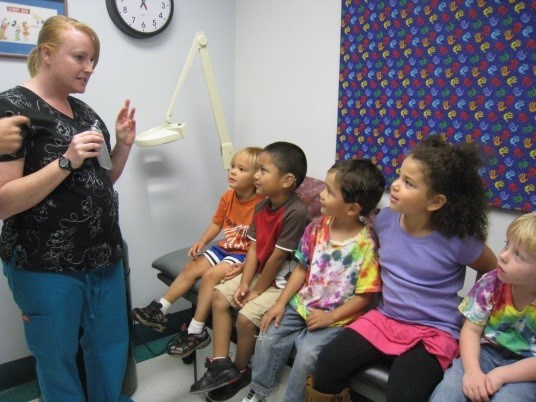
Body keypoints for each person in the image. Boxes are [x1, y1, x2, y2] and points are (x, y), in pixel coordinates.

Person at [0, 16, 136, 402]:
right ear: (47, 53)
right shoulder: (12, 109)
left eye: (93, 59)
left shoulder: (87, 113)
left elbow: (102, 181)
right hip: (46, 264)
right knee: (57, 356)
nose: (89, 68)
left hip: (104, 256)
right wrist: (65, 160)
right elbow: (4, 201)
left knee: (109, 348)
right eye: (80, 57)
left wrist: (123, 144)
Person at [307, 134, 498, 402]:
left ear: (435, 202)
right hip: (385, 318)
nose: (395, 186)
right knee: (328, 362)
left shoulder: (459, 240)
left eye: (408, 183)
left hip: (434, 330)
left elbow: (492, 270)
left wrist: (474, 310)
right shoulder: (384, 221)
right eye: (398, 176)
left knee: (403, 393)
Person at [242, 159, 386, 402]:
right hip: (302, 305)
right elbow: (301, 269)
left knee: (308, 354)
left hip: (336, 317)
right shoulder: (317, 228)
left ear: (352, 209)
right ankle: (260, 390)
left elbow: (365, 296)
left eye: (329, 191)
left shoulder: (366, 246)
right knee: (268, 332)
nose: (320, 193)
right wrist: (280, 303)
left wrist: (331, 317)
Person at [190, 141, 311, 401]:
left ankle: (241, 370)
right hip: (259, 273)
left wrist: (255, 291)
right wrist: (245, 283)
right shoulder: (261, 206)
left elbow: (278, 258)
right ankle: (221, 364)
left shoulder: (296, 211)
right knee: (220, 296)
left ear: (287, 180)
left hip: (282, 280)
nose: (256, 175)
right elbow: (254, 249)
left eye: (263, 171)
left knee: (245, 318)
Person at [130, 147, 264, 356]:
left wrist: (246, 266)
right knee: (192, 267)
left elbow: (263, 244)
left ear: (256, 177)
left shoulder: (261, 206)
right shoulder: (228, 197)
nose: (233, 172)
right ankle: (160, 309)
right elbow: (217, 224)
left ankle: (196, 330)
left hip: (243, 255)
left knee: (210, 275)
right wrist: (202, 242)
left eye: (241, 169)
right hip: (224, 248)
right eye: (232, 167)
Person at [430, 212, 536, 402]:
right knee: (446, 395)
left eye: (518, 255)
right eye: (507, 244)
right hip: (484, 351)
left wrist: (500, 375)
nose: (503, 256)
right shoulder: (492, 282)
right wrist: (472, 372)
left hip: (525, 369)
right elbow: (471, 331)